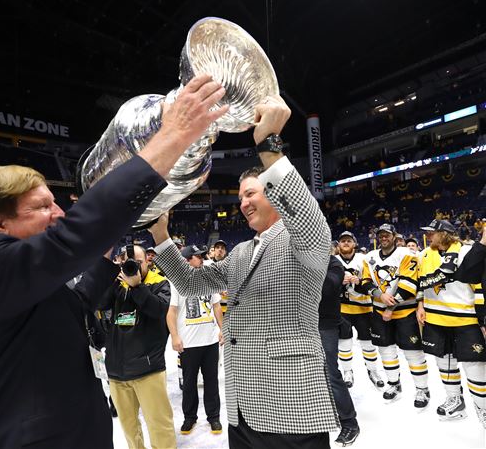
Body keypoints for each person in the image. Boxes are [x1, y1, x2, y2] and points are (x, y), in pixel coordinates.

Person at [0, 74, 229, 449]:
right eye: (42, 207)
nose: (58, 214)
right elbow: (70, 239)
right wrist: (172, 137)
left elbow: (79, 300)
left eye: (57, 203)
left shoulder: (20, 283)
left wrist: (108, 245)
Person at [150, 95, 338, 449]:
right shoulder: (239, 252)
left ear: (275, 194)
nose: (243, 203)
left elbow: (308, 219)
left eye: (250, 193)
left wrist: (269, 147)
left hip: (290, 407)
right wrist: (161, 234)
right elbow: (190, 283)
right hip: (242, 406)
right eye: (239, 197)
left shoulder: (304, 242)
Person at [82, 244, 177, 449]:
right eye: (128, 262)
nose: (132, 266)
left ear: (147, 262)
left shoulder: (159, 283)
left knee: (159, 426)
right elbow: (99, 304)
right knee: (129, 428)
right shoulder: (118, 284)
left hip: (148, 371)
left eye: (138, 262)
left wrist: (136, 286)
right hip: (117, 372)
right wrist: (113, 277)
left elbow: (158, 310)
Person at [417, 219, 486, 427]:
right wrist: (420, 304)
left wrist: (482, 319)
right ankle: (455, 400)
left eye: (433, 233)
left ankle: (483, 408)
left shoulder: (466, 252)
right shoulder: (424, 254)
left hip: (465, 319)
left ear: (445, 234)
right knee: (444, 362)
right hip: (436, 319)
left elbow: (480, 287)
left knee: (475, 366)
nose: (429, 236)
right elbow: (421, 283)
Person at [359, 223, 430, 409]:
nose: (383, 237)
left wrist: (390, 307)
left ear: (394, 236)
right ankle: (393, 383)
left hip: (404, 311)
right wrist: (378, 294)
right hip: (378, 311)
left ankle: (422, 389)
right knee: (386, 349)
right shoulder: (369, 257)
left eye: (387, 234)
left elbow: (409, 285)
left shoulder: (406, 254)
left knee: (413, 352)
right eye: (380, 234)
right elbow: (365, 281)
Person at [167, 244, 223, 436]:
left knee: (212, 381)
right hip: (189, 344)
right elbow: (171, 312)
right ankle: (189, 418)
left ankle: (213, 416)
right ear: (187, 260)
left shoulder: (208, 276)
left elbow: (216, 306)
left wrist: (222, 329)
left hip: (210, 342)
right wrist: (175, 336)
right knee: (189, 383)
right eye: (197, 256)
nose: (201, 258)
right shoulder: (176, 282)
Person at [319, 254, 360, 447]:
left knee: (330, 373)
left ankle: (349, 422)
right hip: (300, 324)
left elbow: (327, 287)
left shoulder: (333, 262)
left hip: (325, 325)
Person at [335, 231, 384, 390]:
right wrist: (337, 281)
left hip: (363, 308)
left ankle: (373, 371)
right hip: (342, 308)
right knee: (344, 342)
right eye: (343, 241)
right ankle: (347, 371)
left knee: (368, 343)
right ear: (339, 245)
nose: (346, 243)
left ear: (355, 243)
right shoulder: (332, 261)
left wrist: (359, 281)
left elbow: (373, 281)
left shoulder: (364, 259)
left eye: (349, 240)